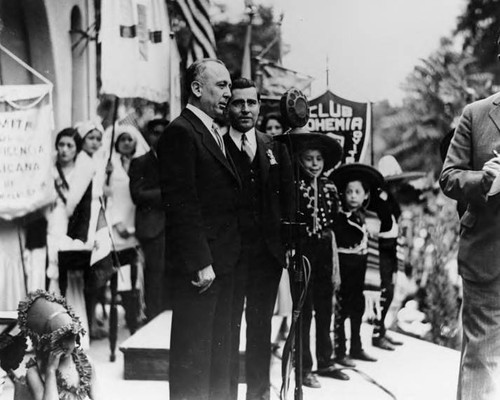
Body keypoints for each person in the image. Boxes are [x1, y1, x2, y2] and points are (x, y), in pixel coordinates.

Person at [157, 58, 240, 400]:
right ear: (196, 88)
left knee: (216, 356)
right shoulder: (181, 132)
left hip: (222, 264)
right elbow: (182, 203)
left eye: (229, 86)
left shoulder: (210, 132)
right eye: (221, 85)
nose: (229, 93)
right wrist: (200, 261)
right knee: (193, 357)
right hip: (201, 270)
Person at [223, 78, 294, 400]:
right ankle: (225, 393)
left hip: (266, 255)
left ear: (259, 106)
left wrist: (288, 246)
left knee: (261, 326)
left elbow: (288, 200)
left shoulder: (274, 147)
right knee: (227, 327)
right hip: (230, 256)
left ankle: (259, 393)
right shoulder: (218, 145)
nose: (245, 109)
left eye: (251, 103)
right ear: (228, 106)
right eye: (238, 102)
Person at [440, 83, 500, 399]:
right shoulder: (476, 114)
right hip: (489, 256)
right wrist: (485, 181)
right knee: (483, 359)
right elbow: (449, 177)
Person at [290, 134, 346, 388]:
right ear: (299, 160)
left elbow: (334, 217)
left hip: (325, 249)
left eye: (319, 158)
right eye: (308, 158)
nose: (314, 164)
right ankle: (303, 367)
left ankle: (326, 360)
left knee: (325, 307)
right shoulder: (293, 185)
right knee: (304, 309)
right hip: (303, 250)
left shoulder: (330, 186)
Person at [331, 163, 384, 367]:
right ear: (343, 194)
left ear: (365, 195)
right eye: (349, 192)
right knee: (341, 309)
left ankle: (356, 346)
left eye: (357, 192)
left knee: (357, 308)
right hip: (343, 268)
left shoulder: (368, 218)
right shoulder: (338, 218)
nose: (353, 196)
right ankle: (340, 350)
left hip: (361, 269)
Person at [16, 289, 98, 400]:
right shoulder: (35, 373)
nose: (65, 345)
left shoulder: (85, 364)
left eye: (70, 337)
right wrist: (50, 371)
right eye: (58, 339)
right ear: (45, 342)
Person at [107, 124, 149, 334]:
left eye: (129, 139)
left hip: (138, 223)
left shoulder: (143, 163)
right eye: (121, 139)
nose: (125, 143)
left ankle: (139, 313)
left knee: (139, 271)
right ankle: (129, 314)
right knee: (122, 272)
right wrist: (115, 221)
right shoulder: (109, 165)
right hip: (117, 224)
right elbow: (106, 197)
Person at [129, 118, 169, 321]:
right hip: (153, 227)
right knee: (155, 275)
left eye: (165, 132)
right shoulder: (140, 162)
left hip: (176, 227)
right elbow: (137, 195)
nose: (160, 137)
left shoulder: (179, 161)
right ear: (149, 136)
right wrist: (167, 194)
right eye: (156, 132)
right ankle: (154, 318)